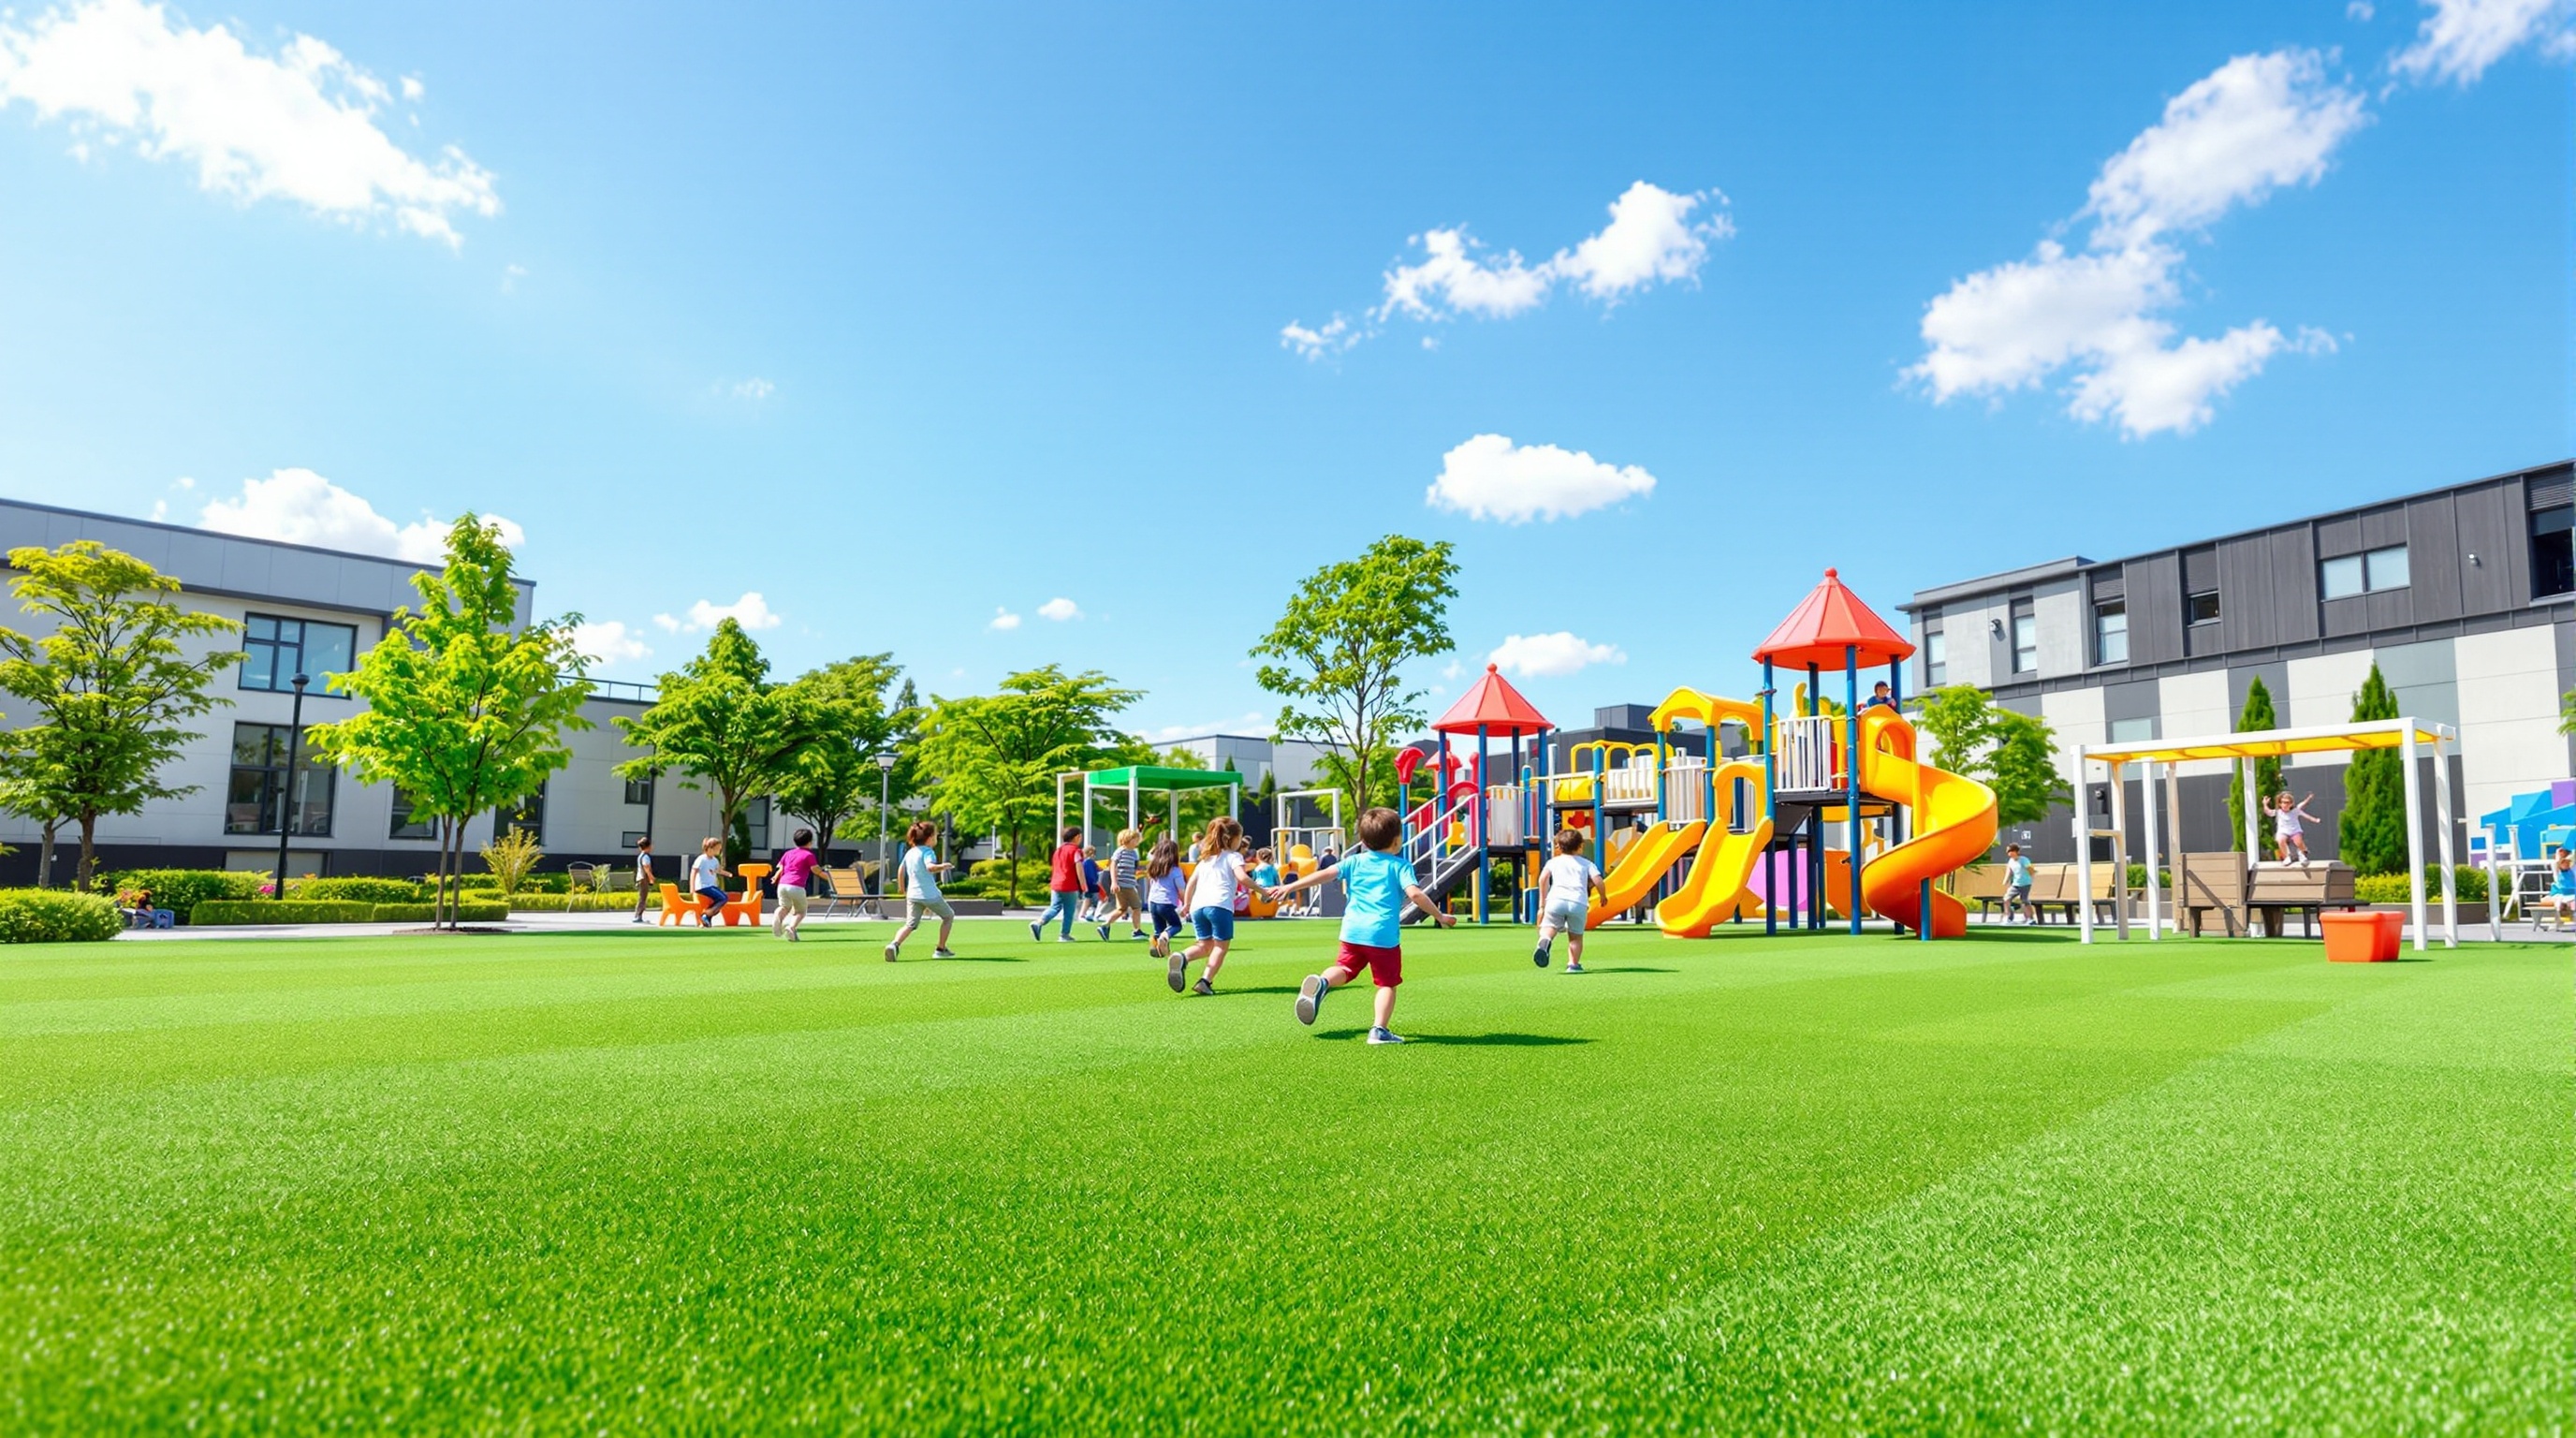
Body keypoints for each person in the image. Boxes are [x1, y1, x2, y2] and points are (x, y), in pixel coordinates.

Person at [1271, 805, 1454, 1045]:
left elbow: (1325, 874)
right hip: (1382, 936)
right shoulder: (1399, 866)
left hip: (1352, 931)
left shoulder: (1354, 861)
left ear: (1364, 841)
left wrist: (1289, 887)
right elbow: (1416, 895)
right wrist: (1440, 916)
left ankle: (1323, 981)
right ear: (1398, 840)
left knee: (1345, 969)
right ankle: (1379, 1030)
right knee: (1387, 983)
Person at [1171, 815, 1257, 995]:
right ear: (1232, 839)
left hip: (1198, 906)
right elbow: (1242, 877)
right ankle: (1205, 981)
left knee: (1204, 945)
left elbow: (1191, 883)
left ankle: (1182, 956)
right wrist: (1262, 890)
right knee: (1220, 946)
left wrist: (1186, 904)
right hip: (1219, 905)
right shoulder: (1234, 857)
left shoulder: (1205, 860)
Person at [1531, 828, 1606, 973]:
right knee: (1575, 937)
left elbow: (1542, 879)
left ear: (1558, 846)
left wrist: (1542, 903)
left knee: (1549, 927)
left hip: (1555, 900)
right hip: (1578, 902)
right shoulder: (1586, 864)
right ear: (1580, 846)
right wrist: (1603, 895)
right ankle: (1573, 965)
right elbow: (1598, 880)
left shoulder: (1553, 862)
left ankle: (1544, 941)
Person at [885, 819, 958, 961]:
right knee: (948, 916)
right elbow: (930, 867)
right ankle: (940, 949)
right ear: (930, 838)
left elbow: (901, 869)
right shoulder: (928, 852)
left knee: (910, 924)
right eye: (936, 835)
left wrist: (901, 888)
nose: (937, 838)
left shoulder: (910, 852)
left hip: (913, 895)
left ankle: (894, 945)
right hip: (930, 895)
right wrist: (943, 866)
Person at [1030, 826, 1084, 943]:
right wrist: (1083, 884)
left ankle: (1039, 922)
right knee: (1069, 910)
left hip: (1056, 883)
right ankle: (1064, 934)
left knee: (1054, 907)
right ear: (1077, 837)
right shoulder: (1076, 851)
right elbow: (1079, 867)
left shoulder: (1058, 850)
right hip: (1069, 884)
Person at [772, 828, 820, 941]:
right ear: (810, 842)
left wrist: (775, 877)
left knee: (784, 907)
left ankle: (777, 916)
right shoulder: (809, 855)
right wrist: (827, 876)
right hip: (797, 886)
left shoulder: (788, 853)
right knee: (801, 911)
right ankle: (791, 928)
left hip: (782, 885)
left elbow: (781, 868)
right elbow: (816, 870)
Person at [1099, 828, 1146, 941]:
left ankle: (1105, 925)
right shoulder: (1120, 851)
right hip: (1124, 884)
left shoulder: (1134, 853)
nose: (1137, 842)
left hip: (1129, 883)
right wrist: (1114, 882)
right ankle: (1136, 931)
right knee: (1137, 907)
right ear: (1128, 840)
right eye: (1135, 840)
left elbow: (1134, 868)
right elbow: (1113, 866)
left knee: (1122, 909)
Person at [690, 838, 729, 928]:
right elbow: (693, 872)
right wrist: (692, 887)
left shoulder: (715, 860)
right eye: (718, 848)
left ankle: (707, 919)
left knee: (719, 902)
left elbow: (718, 870)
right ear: (711, 848)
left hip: (711, 886)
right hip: (703, 886)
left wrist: (728, 874)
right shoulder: (701, 859)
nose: (720, 850)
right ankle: (706, 913)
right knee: (723, 898)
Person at [2273, 791, 2320, 866]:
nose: (2285, 805)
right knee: (2280, 840)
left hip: (2294, 831)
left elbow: (2304, 809)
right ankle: (2287, 857)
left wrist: (2315, 819)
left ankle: (2303, 853)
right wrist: (2265, 804)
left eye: (2287, 803)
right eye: (2283, 802)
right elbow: (2268, 812)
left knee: (2298, 842)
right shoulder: (2279, 812)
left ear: (2291, 804)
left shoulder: (2295, 810)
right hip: (2284, 832)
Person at [2000, 843, 2034, 925]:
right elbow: (2009, 871)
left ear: (2016, 851)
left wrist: (2030, 878)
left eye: (2011, 851)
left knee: (2024, 901)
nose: (2009, 853)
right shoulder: (2010, 861)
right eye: (2008, 851)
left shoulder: (2024, 859)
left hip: (2025, 884)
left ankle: (2030, 919)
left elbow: (2031, 870)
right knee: (2006, 899)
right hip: (2015, 884)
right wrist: (2005, 881)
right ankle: (2007, 917)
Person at [2546, 850, 2576, 925]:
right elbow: (2556, 863)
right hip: (2560, 893)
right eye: (2565, 862)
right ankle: (2558, 920)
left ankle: (2572, 917)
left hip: (2571, 893)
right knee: (2559, 903)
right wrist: (2558, 853)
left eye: (2568, 862)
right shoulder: (2558, 872)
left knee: (2572, 902)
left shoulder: (2571, 870)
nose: (2567, 864)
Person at [1077, 844, 1105, 924]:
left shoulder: (1086, 862)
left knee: (1090, 900)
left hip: (1088, 884)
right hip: (1091, 884)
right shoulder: (1089, 862)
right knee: (1091, 900)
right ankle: (1084, 915)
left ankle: (1091, 914)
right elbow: (1091, 874)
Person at [631, 836, 655, 924]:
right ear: (648, 846)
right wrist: (651, 877)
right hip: (643, 879)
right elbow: (646, 868)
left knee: (642, 897)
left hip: (640, 878)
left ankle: (639, 915)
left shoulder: (641, 856)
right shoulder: (646, 857)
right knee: (642, 898)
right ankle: (638, 915)